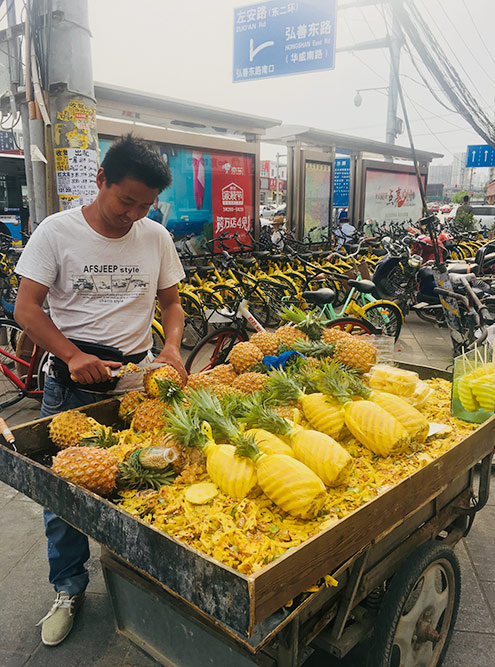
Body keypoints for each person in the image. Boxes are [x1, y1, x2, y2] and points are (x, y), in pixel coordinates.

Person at [14, 134, 186, 646]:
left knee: (146, 483)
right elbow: (26, 309)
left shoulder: (155, 237)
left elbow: (173, 305)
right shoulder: (56, 232)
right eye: (124, 200)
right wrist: (71, 355)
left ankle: (144, 583)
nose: (132, 213)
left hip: (137, 383)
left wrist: (172, 349)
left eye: (144, 205)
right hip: (71, 387)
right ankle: (68, 589)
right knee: (65, 499)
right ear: (101, 181)